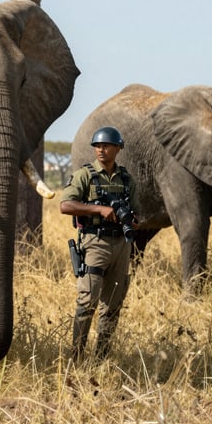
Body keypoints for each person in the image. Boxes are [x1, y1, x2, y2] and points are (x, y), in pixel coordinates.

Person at [60, 126, 138, 362]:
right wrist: (99, 209)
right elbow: (66, 205)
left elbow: (135, 214)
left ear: (118, 148)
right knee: (87, 301)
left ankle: (102, 358)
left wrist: (130, 219)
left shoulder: (126, 179)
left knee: (113, 305)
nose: (101, 150)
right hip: (95, 243)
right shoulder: (85, 175)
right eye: (97, 146)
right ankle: (76, 357)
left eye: (106, 146)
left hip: (121, 245)